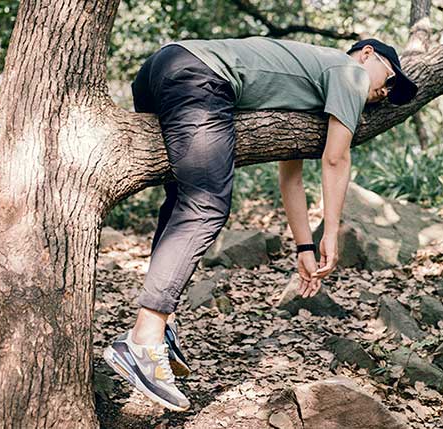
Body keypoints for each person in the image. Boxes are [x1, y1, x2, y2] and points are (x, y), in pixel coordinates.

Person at [103, 36, 418, 412]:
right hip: (200, 75)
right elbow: (336, 160)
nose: (387, 91)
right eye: (391, 77)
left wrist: (304, 247)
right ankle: (143, 339)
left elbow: (291, 177)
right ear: (367, 54)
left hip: (163, 68)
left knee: (183, 201)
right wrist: (330, 232)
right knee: (207, 206)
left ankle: (159, 323)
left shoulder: (311, 78)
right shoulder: (347, 71)